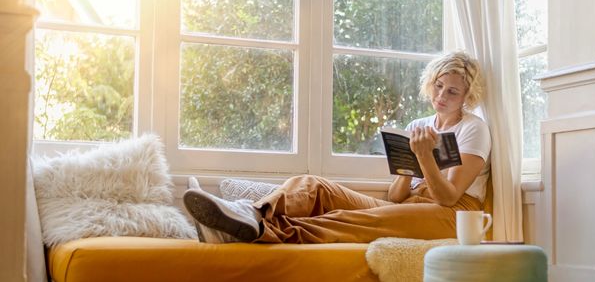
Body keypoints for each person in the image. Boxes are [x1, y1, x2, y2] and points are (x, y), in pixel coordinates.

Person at [183, 51, 491, 244]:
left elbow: (449, 198)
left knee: (355, 220)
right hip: (410, 204)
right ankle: (253, 212)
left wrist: (425, 158)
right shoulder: (418, 125)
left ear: (467, 97)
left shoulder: (473, 128)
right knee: (314, 185)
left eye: (452, 92)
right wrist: (409, 163)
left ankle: (251, 232)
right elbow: (397, 196)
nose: (442, 96)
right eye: (439, 86)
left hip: (454, 214)